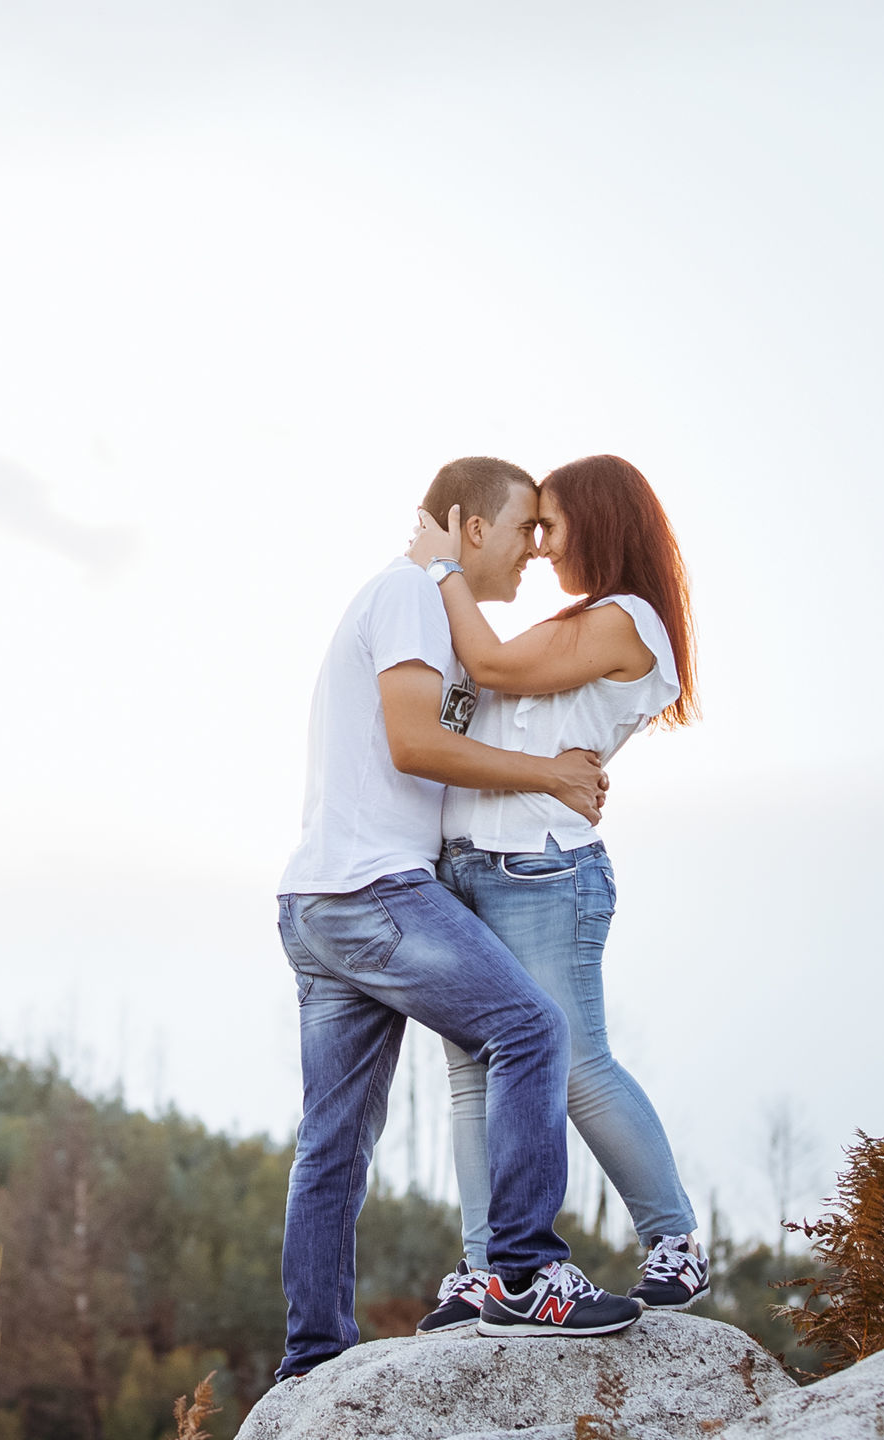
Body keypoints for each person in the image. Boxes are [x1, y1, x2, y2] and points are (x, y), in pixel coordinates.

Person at [274, 456, 642, 1382]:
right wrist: (553, 775)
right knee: (529, 1028)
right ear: (470, 528)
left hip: (320, 900)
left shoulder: (421, 602)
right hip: (372, 894)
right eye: (524, 528)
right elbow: (413, 739)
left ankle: (312, 1362)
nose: (533, 549)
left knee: (333, 1147)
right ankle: (524, 1269)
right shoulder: (406, 594)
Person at [406, 454, 708, 1337]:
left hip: (544, 869)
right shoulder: (580, 621)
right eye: (529, 527)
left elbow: (491, 667)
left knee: (573, 1067)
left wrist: (440, 568)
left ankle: (674, 1242)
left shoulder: (629, 620)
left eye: (550, 524)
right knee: (473, 1079)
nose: (537, 543)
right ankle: (485, 1268)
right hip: (465, 865)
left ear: (600, 521)